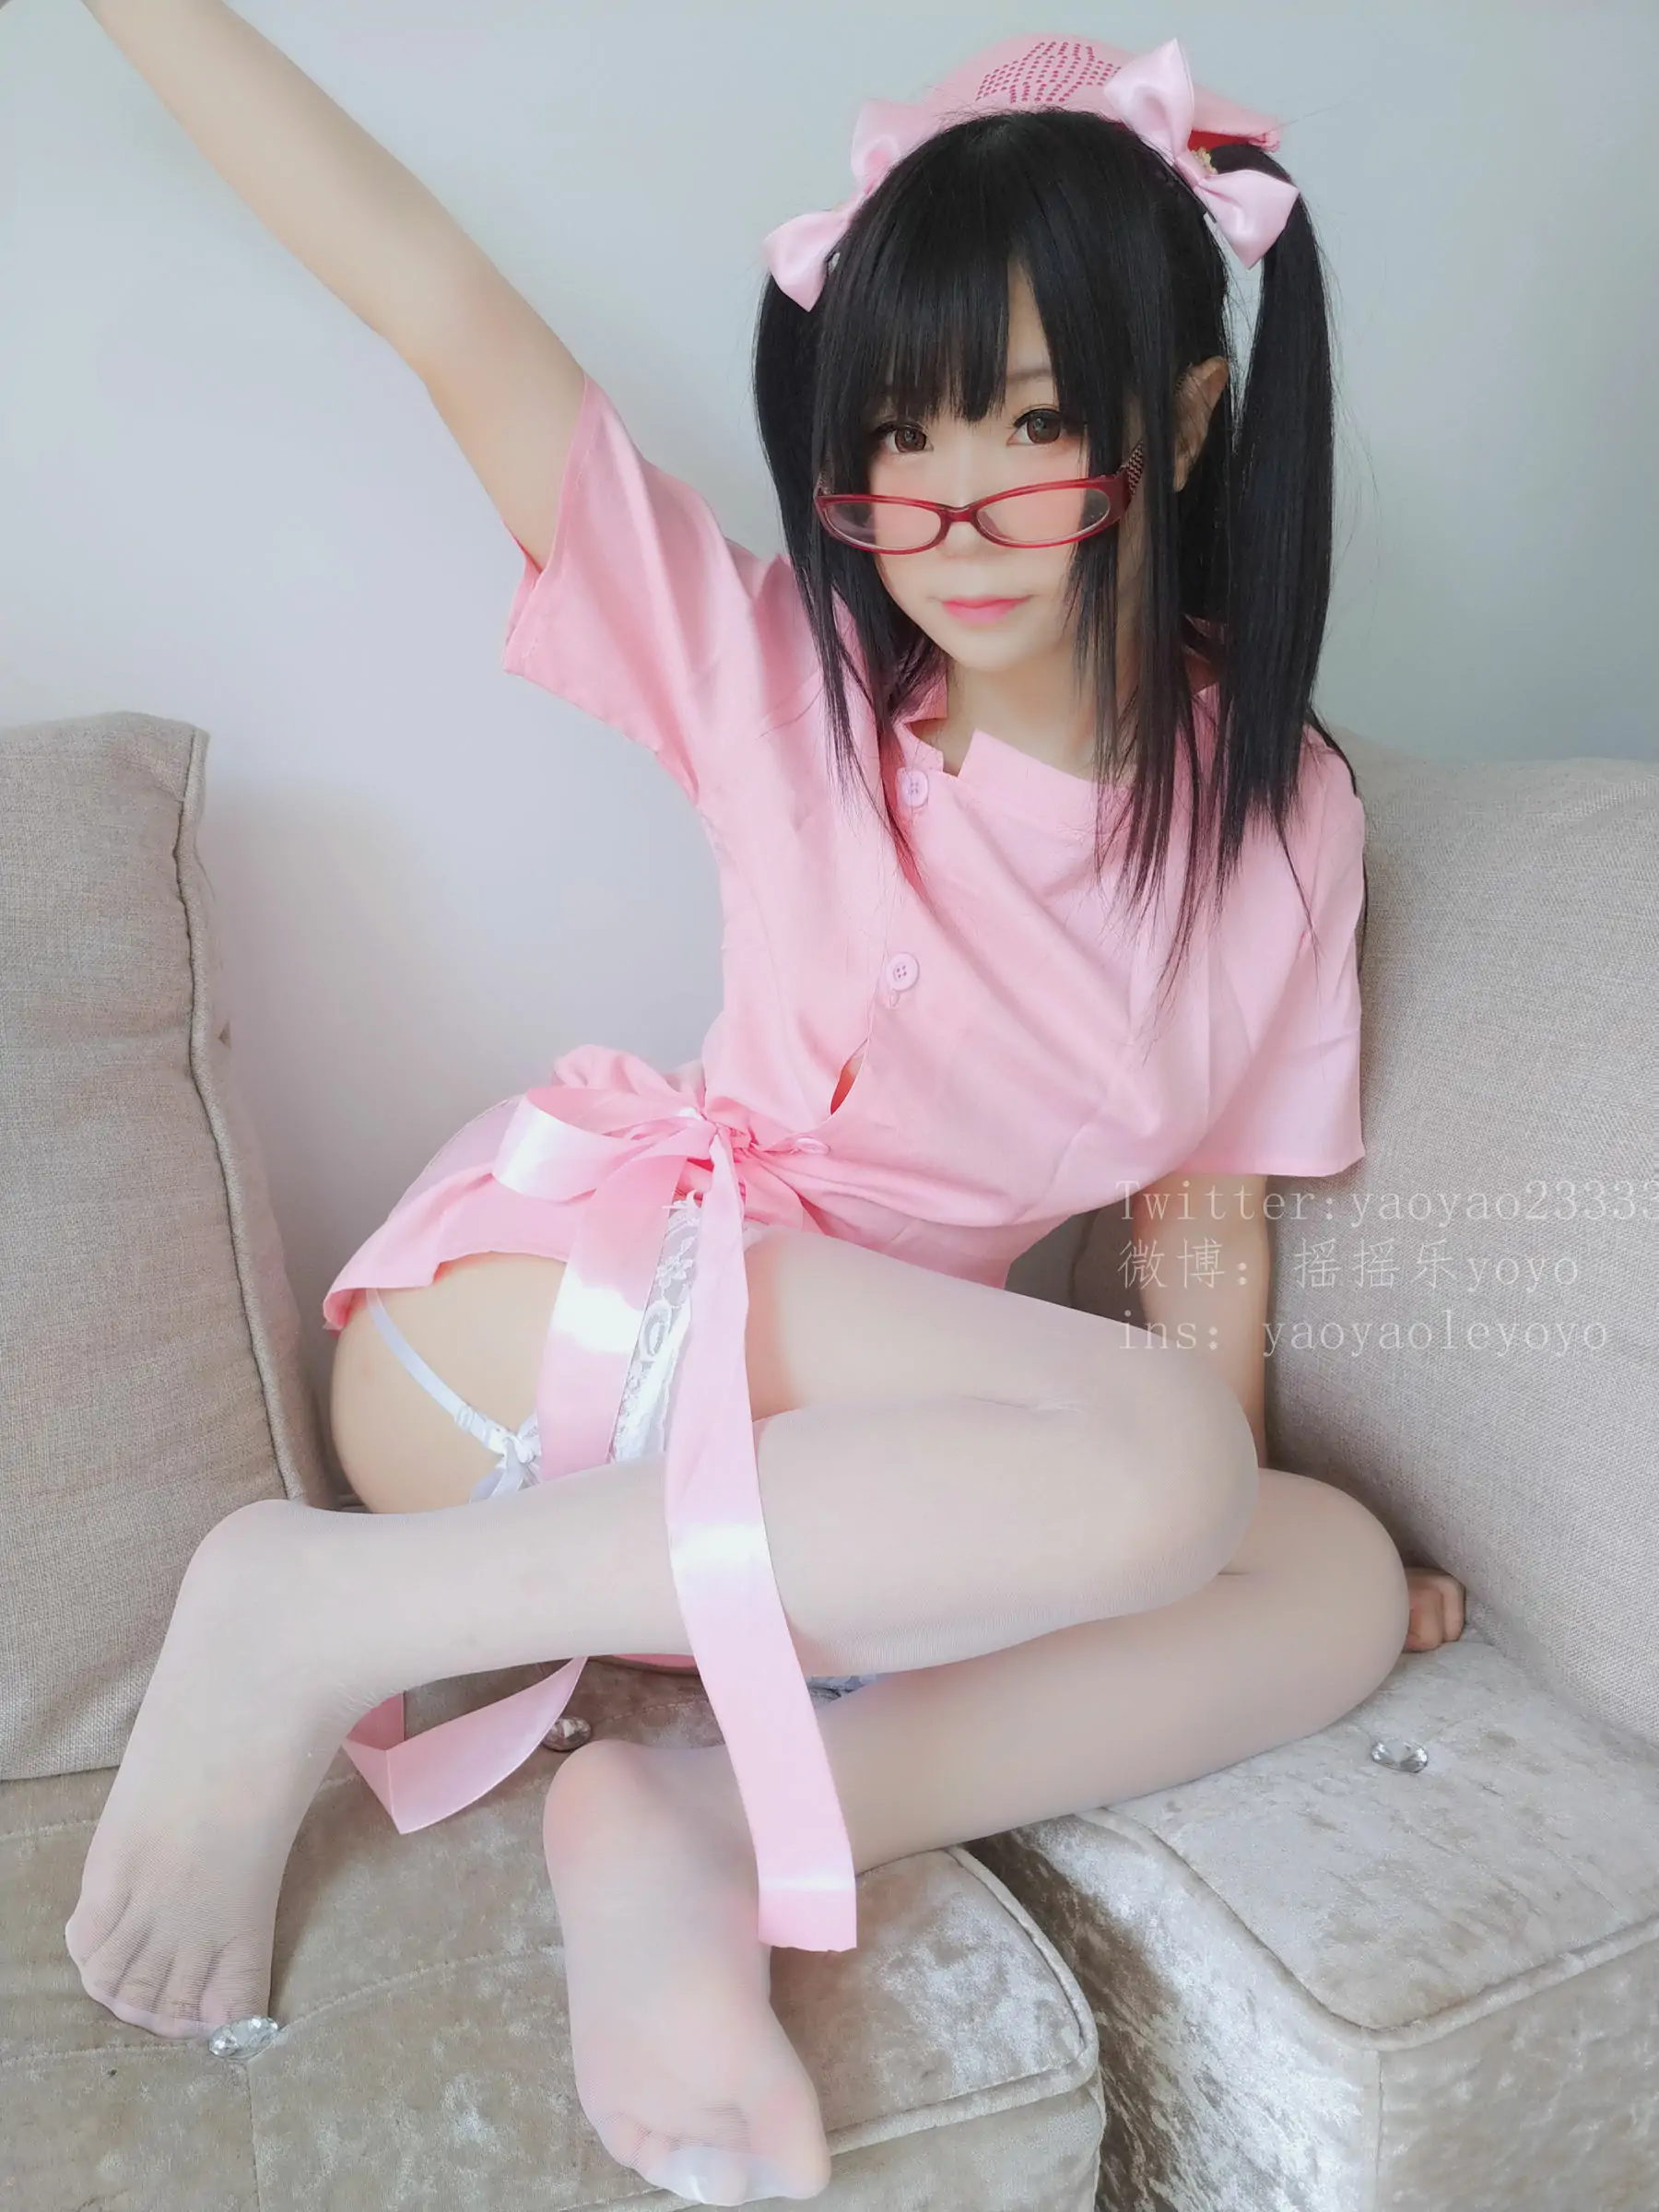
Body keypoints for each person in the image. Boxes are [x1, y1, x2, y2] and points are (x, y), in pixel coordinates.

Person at [56, 12, 1465, 2204]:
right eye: (899, 432)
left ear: (1187, 419)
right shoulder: (782, 691)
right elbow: (435, 297)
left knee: (1331, 1576)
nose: (952, 512)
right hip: (539, 1341)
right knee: (1177, 1463)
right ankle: (311, 1607)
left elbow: (1206, 1220)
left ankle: (699, 1825)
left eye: (1033, 422)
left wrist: (1200, 1538)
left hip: (816, 1502)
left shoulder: (1285, 825)